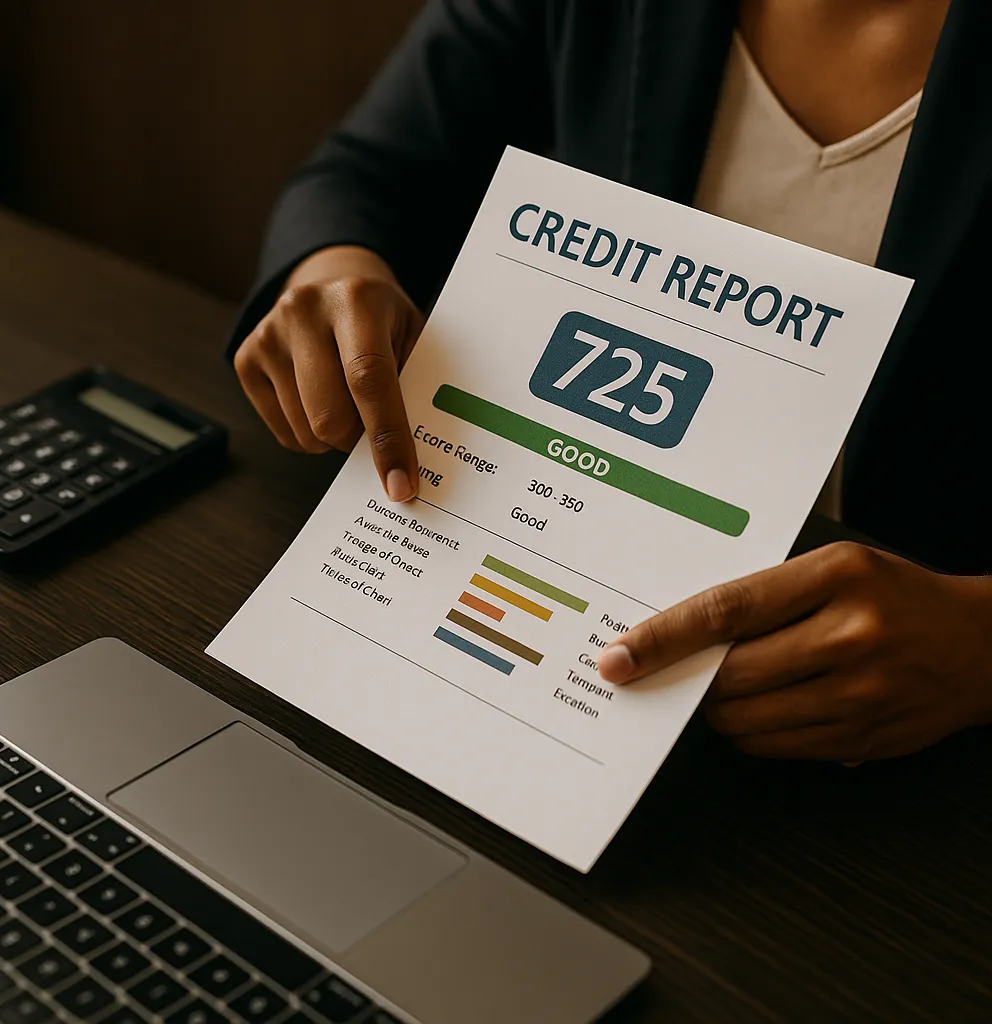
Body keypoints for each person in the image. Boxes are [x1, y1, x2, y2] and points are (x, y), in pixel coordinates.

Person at [228, 0, 992, 763]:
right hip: (545, 631)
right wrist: (331, 274)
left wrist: (979, 644)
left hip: (894, 729)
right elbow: (366, 175)